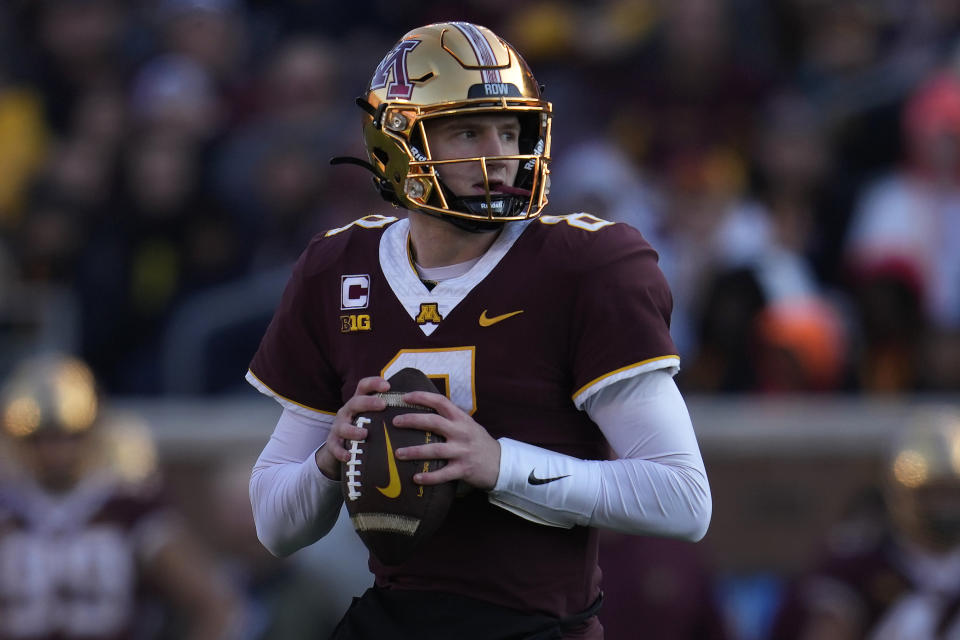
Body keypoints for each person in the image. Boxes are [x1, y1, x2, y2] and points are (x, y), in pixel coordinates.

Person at [246, 22, 712, 639]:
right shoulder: (339, 268)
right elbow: (276, 528)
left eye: (510, 129)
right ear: (397, 144)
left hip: (537, 627)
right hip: (396, 620)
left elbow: (683, 498)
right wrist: (328, 463)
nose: (498, 153)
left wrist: (499, 465)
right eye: (468, 131)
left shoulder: (583, 267)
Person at [0, 353, 242, 640]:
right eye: (41, 438)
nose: (55, 452)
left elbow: (214, 603)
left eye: (68, 436)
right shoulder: (8, 504)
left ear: (93, 431)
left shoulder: (127, 503)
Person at [768, 407, 960, 639]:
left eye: (953, 493)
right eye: (935, 494)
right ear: (903, 495)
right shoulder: (860, 562)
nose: (946, 507)